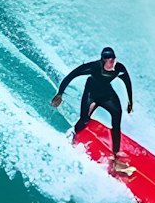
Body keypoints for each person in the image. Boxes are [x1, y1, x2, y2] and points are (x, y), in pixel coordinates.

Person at [51, 48, 135, 177]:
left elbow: (127, 83)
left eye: (113, 59)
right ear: (103, 60)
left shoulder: (119, 68)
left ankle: (115, 157)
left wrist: (130, 102)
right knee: (84, 120)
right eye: (109, 60)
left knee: (117, 121)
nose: (112, 62)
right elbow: (71, 75)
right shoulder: (93, 67)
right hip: (91, 95)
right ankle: (72, 136)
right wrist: (60, 93)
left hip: (108, 96)